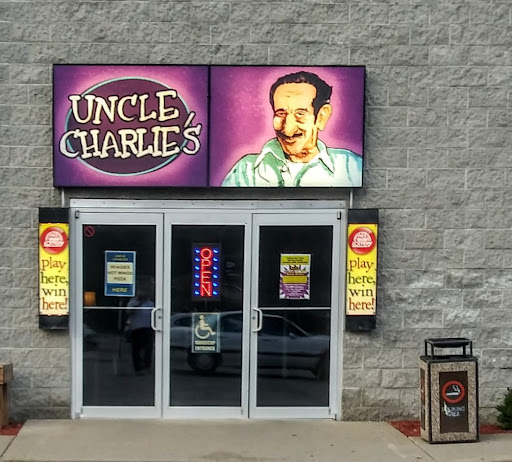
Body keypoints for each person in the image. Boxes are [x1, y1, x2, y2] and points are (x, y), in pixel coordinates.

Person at [222, 71, 362, 187]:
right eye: (280, 114)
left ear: (321, 116)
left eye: (300, 114)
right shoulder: (246, 170)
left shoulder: (351, 168)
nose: (288, 129)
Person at [125, 276, 155, 376]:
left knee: (148, 349)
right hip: (136, 329)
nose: (143, 294)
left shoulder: (150, 303)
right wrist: (138, 304)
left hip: (148, 328)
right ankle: (138, 368)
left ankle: (147, 367)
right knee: (136, 350)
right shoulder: (133, 302)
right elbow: (129, 312)